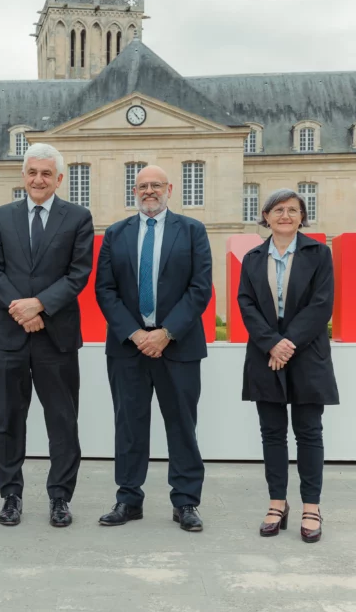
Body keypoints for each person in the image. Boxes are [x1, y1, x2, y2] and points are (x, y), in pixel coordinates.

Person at [93, 164, 212, 532]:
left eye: (155, 185)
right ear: (134, 191)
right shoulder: (116, 233)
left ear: (169, 189)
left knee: (181, 425)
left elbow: (200, 288)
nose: (149, 191)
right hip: (128, 347)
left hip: (178, 346)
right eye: (142, 186)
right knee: (129, 426)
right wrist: (134, 333)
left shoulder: (192, 231)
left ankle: (186, 502)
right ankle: (128, 499)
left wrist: (166, 333)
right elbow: (105, 289)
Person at [0, 142, 94, 528]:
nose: (39, 179)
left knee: (62, 421)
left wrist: (40, 305)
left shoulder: (78, 217)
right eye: (32, 172)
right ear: (23, 176)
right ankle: (11, 495)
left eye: (47, 173)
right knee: (8, 420)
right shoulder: (1, 216)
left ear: (59, 178)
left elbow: (78, 273)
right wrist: (22, 308)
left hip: (56, 336)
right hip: (10, 335)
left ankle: (60, 498)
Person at [237, 188, 338, 543]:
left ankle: (311, 505)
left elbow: (321, 305)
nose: (284, 215)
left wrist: (289, 342)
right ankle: (277, 502)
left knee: (309, 433)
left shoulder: (319, 254)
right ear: (266, 216)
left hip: (307, 353)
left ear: (301, 217)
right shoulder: (252, 258)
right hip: (266, 355)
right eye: (278, 209)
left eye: (292, 210)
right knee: (272, 433)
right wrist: (271, 343)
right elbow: (246, 304)